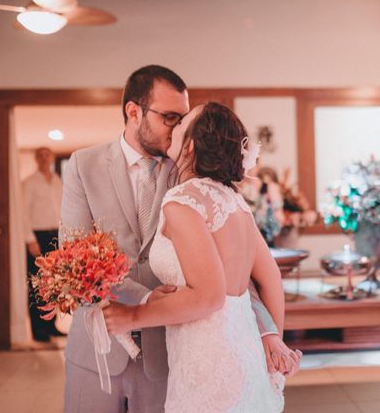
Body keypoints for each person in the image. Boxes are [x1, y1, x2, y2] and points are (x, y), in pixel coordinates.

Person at [60, 66, 300, 413]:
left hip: (172, 358)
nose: (175, 128)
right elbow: (74, 258)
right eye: (168, 117)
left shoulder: (193, 176)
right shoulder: (84, 165)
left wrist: (268, 332)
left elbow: (236, 276)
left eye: (182, 120)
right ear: (134, 111)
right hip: (98, 350)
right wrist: (140, 302)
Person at [22, 146, 65, 342]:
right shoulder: (29, 183)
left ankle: (51, 325)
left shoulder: (58, 182)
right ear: (35, 159)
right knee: (37, 284)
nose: (44, 158)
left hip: (56, 235)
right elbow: (22, 214)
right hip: (37, 238)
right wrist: (30, 239)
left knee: (54, 284)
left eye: (47, 154)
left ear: (52, 157)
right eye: (40, 155)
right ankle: (38, 330)